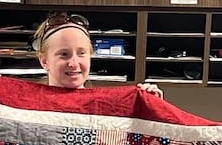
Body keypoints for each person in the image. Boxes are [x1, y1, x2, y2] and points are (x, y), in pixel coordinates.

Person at [32, 11, 163, 97]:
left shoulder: (106, 108)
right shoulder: (27, 108)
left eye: (81, 53)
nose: (74, 63)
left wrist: (151, 106)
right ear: (44, 61)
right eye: (64, 54)